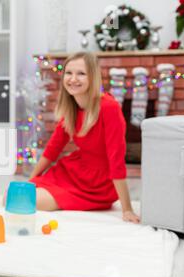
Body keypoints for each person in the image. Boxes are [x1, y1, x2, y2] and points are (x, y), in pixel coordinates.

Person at [10, 52, 140, 224]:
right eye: (69, 73)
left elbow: (116, 160)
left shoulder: (109, 108)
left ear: (93, 78)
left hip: (98, 184)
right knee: (11, 197)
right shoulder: (71, 108)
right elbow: (53, 149)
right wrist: (31, 181)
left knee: (22, 201)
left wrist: (127, 209)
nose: (73, 79)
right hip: (75, 171)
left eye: (81, 73)